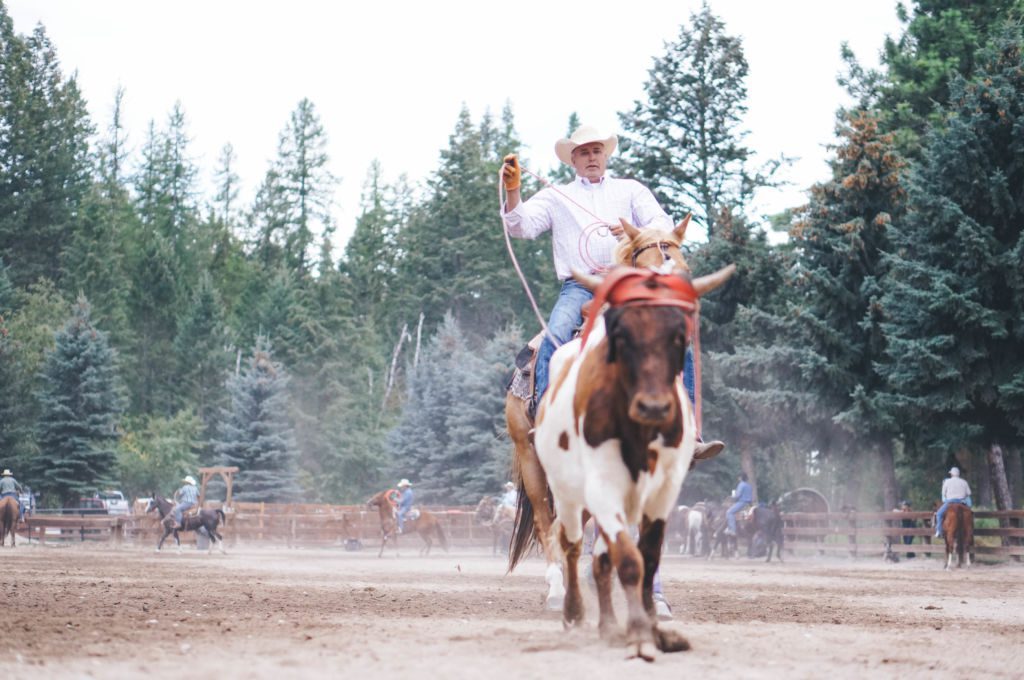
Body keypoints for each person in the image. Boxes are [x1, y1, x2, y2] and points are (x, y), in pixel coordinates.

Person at [500, 124, 724, 461]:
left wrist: (639, 232)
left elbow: (662, 224)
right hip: (580, 286)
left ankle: (687, 433)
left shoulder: (631, 191)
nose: (591, 157)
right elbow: (521, 226)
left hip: (628, 283)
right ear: (572, 160)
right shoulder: (555, 196)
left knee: (680, 347)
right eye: (583, 153)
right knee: (556, 335)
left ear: (605, 156)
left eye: (596, 151)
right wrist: (513, 190)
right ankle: (547, 419)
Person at [935, 466, 972, 538]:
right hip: (962, 502)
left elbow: (943, 493)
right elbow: (968, 493)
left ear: (951, 474)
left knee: (939, 514)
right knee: (971, 514)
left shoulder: (947, 482)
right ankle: (970, 531)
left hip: (950, 502)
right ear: (958, 474)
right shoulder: (964, 482)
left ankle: (939, 531)